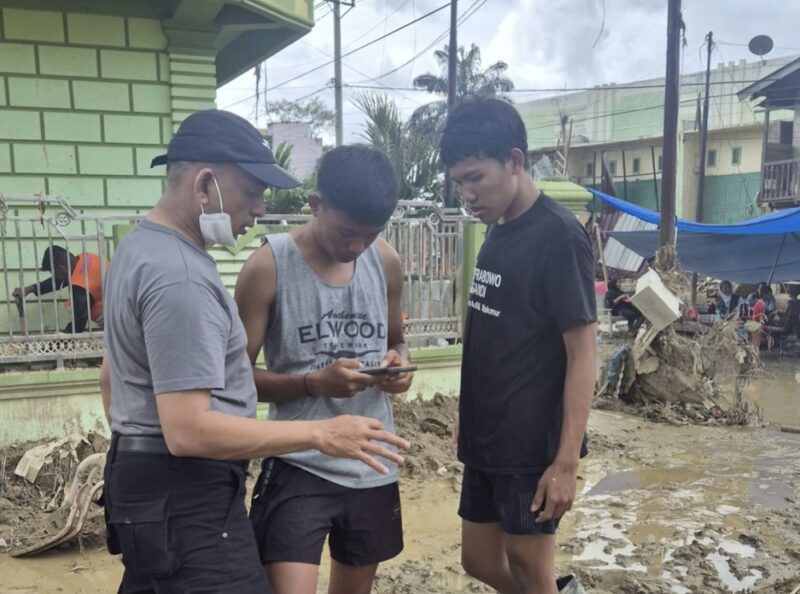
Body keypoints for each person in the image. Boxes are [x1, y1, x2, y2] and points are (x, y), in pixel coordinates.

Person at [100, 110, 409, 594]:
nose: (260, 208)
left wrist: (136, 459)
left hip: (151, 479)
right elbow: (187, 430)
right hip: (184, 488)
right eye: (251, 192)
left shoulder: (138, 251)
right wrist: (321, 433)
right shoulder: (180, 276)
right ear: (205, 185)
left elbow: (110, 377)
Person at [235, 144, 413, 594]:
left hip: (372, 462)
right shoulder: (268, 267)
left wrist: (399, 365)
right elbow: (234, 381)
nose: (356, 247)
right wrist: (314, 383)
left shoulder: (386, 262)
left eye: (370, 235)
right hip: (300, 463)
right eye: (347, 232)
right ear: (316, 205)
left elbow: (396, 339)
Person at [441, 96, 595, 594]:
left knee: (530, 569)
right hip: (488, 435)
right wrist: (470, 412)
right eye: (458, 181)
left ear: (514, 161)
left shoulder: (559, 237)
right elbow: (494, 334)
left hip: (532, 446)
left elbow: (583, 355)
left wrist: (566, 462)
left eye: (475, 178)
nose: (466, 192)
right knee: (478, 559)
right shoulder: (496, 229)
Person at [13, 245, 104, 332]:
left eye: (55, 274)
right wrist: (31, 288)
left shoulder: (81, 288)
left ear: (61, 268)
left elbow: (77, 326)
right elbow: (61, 280)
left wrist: (53, 345)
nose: (56, 277)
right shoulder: (86, 259)